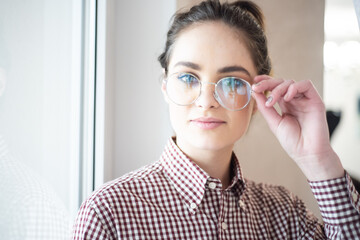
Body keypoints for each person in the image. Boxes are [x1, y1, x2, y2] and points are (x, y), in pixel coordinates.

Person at [72, 0, 360, 239]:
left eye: (232, 82)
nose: (206, 100)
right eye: (188, 77)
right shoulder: (108, 214)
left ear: (258, 97)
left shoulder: (285, 215)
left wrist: (318, 159)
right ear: (165, 88)